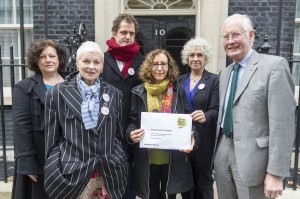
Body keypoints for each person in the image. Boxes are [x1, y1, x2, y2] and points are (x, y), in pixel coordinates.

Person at [213, 13, 296, 199]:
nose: (230, 41)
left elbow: (283, 124)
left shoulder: (274, 66)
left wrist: (276, 172)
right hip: (222, 153)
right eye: (226, 37)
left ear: (251, 36)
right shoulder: (225, 74)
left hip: (254, 161)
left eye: (236, 35)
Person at [43, 41, 128, 199]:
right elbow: (51, 140)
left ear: (102, 66)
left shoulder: (115, 94)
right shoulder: (57, 93)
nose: (91, 67)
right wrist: (54, 169)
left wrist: (116, 161)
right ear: (77, 63)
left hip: (108, 173)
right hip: (73, 174)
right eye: (86, 61)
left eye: (96, 62)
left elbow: (119, 135)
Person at [126, 49, 197, 199]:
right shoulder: (139, 92)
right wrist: (130, 134)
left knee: (170, 196)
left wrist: (192, 136)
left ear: (169, 67)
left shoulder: (179, 91)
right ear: (148, 67)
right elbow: (132, 121)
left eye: (163, 64)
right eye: (155, 64)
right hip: (147, 159)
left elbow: (189, 121)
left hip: (172, 159)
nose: (159, 68)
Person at [11, 39, 66, 199]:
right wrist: (27, 162)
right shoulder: (24, 87)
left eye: (52, 56)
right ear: (36, 60)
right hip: (39, 158)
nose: (48, 60)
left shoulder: (73, 83)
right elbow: (21, 127)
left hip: (69, 157)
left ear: (59, 59)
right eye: (42, 57)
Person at [101, 13, 144, 199]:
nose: (127, 36)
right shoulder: (101, 60)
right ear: (114, 33)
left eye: (131, 33)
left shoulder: (142, 62)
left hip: (134, 130)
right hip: (107, 132)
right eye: (124, 32)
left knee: (130, 186)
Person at [178, 37, 219, 199]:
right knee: (186, 185)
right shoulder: (180, 81)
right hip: (183, 139)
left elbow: (217, 110)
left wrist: (206, 115)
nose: (195, 59)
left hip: (204, 141)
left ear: (206, 58)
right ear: (187, 58)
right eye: (192, 55)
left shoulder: (214, 80)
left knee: (204, 185)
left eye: (200, 55)